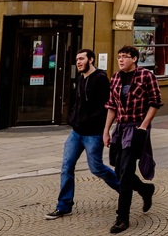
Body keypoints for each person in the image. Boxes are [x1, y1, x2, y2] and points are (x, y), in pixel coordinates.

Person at [45, 49, 120, 220]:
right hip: (76, 133)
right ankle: (63, 206)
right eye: (77, 59)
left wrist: (102, 129)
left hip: (93, 134)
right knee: (66, 167)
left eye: (81, 59)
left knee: (97, 168)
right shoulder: (80, 79)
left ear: (91, 60)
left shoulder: (100, 79)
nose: (78, 62)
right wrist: (74, 118)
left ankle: (123, 188)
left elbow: (105, 106)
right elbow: (77, 103)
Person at [103, 46, 162, 233]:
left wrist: (143, 126)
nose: (120, 60)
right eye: (119, 57)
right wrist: (106, 131)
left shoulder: (146, 76)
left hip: (136, 127)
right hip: (120, 128)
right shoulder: (115, 77)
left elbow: (155, 102)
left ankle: (122, 218)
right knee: (119, 171)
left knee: (126, 173)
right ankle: (145, 190)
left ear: (135, 59)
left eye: (125, 57)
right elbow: (112, 105)